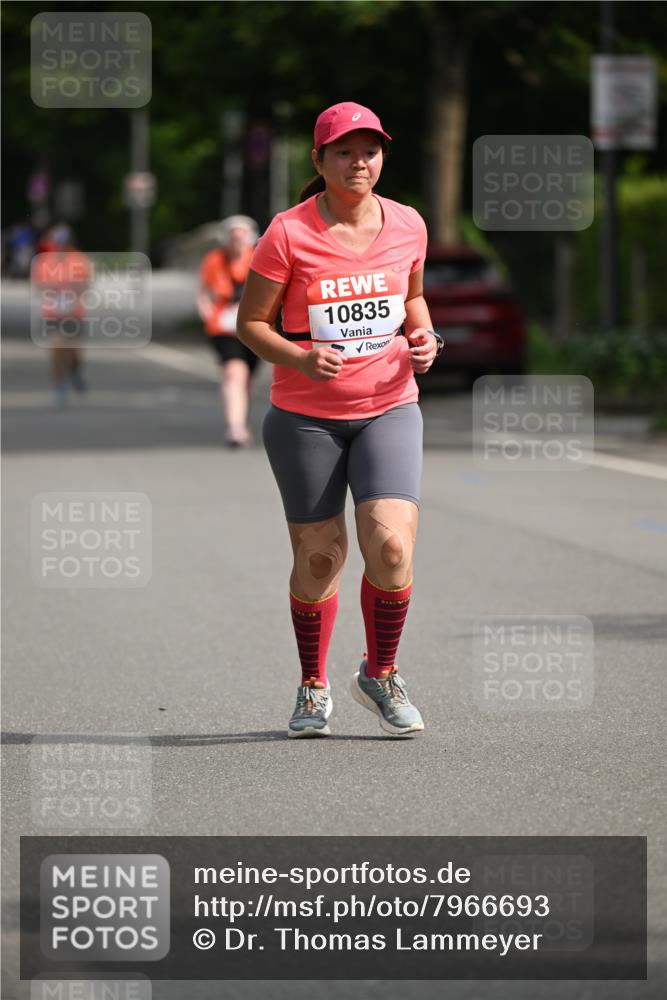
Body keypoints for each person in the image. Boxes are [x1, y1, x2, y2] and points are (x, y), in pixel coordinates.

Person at [237, 101, 444, 739]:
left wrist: (425, 334)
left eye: (371, 150)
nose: (361, 162)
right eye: (346, 152)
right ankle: (313, 683)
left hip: (389, 405)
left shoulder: (408, 223)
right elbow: (250, 325)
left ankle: (379, 672)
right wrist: (300, 356)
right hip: (306, 418)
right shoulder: (289, 232)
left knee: (391, 546)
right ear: (321, 161)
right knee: (321, 559)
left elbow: (411, 296)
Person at [198, 215, 260, 447]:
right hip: (223, 328)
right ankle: (234, 427)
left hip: (256, 327)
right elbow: (203, 291)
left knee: (247, 379)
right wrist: (205, 311)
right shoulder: (214, 260)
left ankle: (241, 422)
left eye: (242, 235)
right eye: (233, 235)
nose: (237, 240)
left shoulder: (259, 256)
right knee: (234, 372)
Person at [32, 224, 91, 407]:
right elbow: (39, 284)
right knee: (57, 348)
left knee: (72, 350)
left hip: (74, 312)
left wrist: (74, 289)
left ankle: (75, 369)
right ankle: (58, 386)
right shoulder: (45, 261)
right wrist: (51, 287)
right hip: (54, 313)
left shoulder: (79, 259)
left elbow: (85, 283)